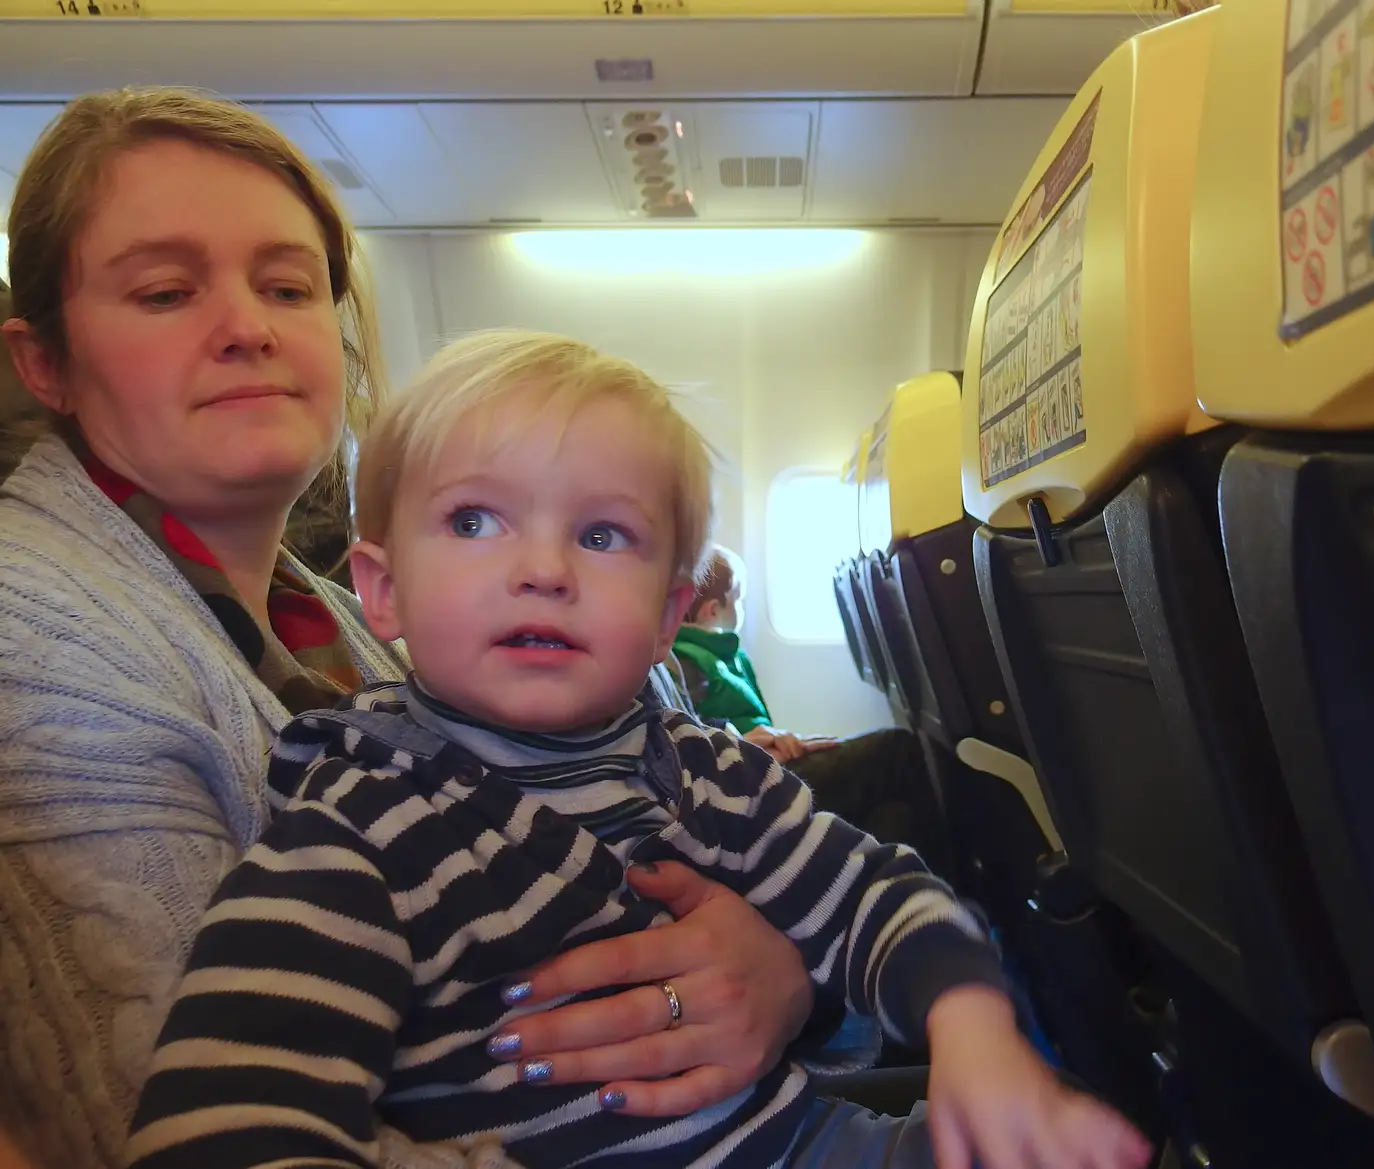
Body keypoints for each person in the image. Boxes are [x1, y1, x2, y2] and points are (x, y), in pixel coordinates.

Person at [0, 88, 820, 1169]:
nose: (247, 325)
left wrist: (777, 971)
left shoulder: (333, 608)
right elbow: (182, 1129)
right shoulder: (43, 640)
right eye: (165, 291)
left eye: (287, 285)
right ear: (44, 362)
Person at [125, 330, 1151, 1169]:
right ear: (382, 590)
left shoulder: (705, 774)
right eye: (475, 519)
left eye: (603, 535)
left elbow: (876, 891)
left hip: (797, 1141)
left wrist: (973, 1030)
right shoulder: (357, 833)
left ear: (668, 616)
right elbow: (225, 1124)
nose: (542, 568)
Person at [674, 545, 956, 879]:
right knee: (899, 749)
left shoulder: (720, 655)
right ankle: (961, 895)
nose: (742, 607)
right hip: (747, 787)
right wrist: (739, 746)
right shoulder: (690, 662)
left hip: (759, 766)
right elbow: (690, 738)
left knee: (895, 815)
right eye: (738, 599)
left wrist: (774, 741)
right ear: (711, 610)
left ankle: (918, 907)